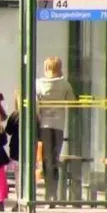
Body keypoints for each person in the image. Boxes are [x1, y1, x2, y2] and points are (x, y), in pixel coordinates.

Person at [36, 56, 75, 205]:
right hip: (58, 125)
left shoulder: (38, 84)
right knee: (54, 158)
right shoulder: (65, 84)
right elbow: (72, 102)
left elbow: (35, 105)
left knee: (46, 159)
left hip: (43, 125)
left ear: (46, 68)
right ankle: (53, 194)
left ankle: (48, 192)